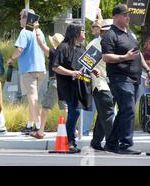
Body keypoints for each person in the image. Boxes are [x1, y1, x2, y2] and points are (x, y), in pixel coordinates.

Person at [102, 4, 150, 154]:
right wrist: (124, 57)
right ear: (116, 16)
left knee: (125, 111)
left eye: (128, 15)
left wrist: (148, 70)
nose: (128, 17)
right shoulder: (110, 35)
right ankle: (125, 144)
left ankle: (111, 143)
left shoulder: (130, 33)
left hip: (135, 79)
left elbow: (138, 54)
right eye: (125, 15)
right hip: (120, 78)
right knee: (129, 109)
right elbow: (106, 56)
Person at [52, 21, 98, 153]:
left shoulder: (83, 48)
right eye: (82, 30)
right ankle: (70, 141)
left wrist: (93, 70)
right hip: (68, 86)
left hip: (81, 85)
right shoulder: (63, 47)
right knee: (75, 111)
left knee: (76, 111)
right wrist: (71, 73)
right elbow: (56, 67)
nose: (85, 32)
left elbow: (86, 65)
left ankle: (70, 140)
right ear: (76, 33)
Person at [8, 9, 46, 134]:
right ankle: (30, 124)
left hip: (28, 70)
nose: (19, 20)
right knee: (34, 98)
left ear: (26, 18)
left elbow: (19, 49)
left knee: (32, 98)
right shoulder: (39, 32)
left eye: (20, 17)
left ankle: (39, 126)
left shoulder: (25, 32)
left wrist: (11, 58)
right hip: (41, 69)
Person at [30, 31, 65, 139]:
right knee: (65, 108)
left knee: (46, 107)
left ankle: (40, 131)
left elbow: (41, 44)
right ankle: (73, 130)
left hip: (54, 81)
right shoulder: (66, 52)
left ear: (54, 42)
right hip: (64, 82)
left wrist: (36, 31)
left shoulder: (54, 52)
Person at [87, 19, 115, 151]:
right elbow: (85, 64)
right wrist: (93, 70)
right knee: (108, 114)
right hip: (100, 84)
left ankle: (96, 142)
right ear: (104, 32)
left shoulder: (113, 43)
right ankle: (112, 143)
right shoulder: (94, 44)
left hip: (111, 84)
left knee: (103, 115)